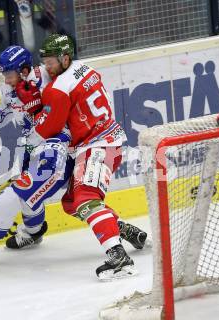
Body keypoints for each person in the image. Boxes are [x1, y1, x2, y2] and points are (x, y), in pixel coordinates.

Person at [26, 33, 147, 280]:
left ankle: (119, 258)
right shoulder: (86, 69)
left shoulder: (57, 88)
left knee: (86, 198)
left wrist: (33, 117)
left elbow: (48, 126)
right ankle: (121, 229)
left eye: (50, 62)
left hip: (98, 146)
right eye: (45, 61)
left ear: (65, 58)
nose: (46, 67)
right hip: (106, 141)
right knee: (71, 202)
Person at [0, 45, 72, 266]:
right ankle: (34, 232)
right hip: (36, 147)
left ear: (25, 70)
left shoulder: (50, 78)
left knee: (12, 197)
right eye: (5, 75)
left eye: (9, 75)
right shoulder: (10, 89)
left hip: (59, 150)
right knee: (30, 198)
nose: (7, 80)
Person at [0, 0, 57, 75]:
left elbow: (49, 28)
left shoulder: (36, 2)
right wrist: (4, 65)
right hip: (6, 75)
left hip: (36, 69)